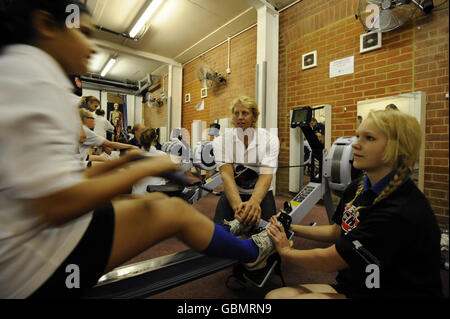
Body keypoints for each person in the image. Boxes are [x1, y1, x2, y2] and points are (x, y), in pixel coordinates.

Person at [0, 0, 275, 298]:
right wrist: (148, 166)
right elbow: (55, 204)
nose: (91, 47)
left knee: (141, 205)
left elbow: (53, 186)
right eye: (83, 33)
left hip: (32, 238)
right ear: (45, 25)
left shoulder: (21, 73)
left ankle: (232, 235)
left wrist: (126, 163)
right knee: (172, 211)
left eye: (244, 114)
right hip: (30, 265)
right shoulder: (34, 78)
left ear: (255, 116)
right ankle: (251, 252)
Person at [265, 110, 443, 299]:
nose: (355, 144)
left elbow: (332, 260)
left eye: (369, 138)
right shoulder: (358, 186)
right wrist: (292, 227)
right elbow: (337, 231)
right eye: (358, 136)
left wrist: (286, 251)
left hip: (391, 292)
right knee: (274, 297)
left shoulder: (400, 209)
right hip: (358, 283)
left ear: (398, 149)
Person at [212, 96, 280, 234]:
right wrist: (238, 207)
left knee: (269, 235)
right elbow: (227, 175)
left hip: (261, 193)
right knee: (219, 234)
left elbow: (266, 174)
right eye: (236, 113)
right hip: (234, 191)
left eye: (245, 113)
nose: (240, 117)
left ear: (254, 117)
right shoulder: (221, 141)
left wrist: (255, 202)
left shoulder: (269, 139)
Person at [132, 128, 167, 195]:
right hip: (154, 197)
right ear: (156, 138)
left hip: (136, 196)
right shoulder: (163, 156)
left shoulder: (133, 156)